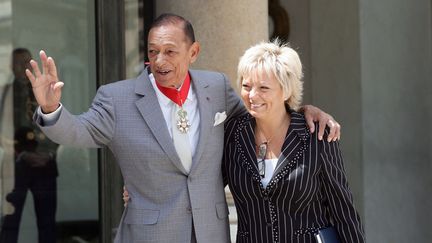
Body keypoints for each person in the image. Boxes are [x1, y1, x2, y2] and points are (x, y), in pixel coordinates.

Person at [26, 14, 340, 243]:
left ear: (193, 52)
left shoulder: (215, 86)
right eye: (152, 52)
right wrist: (52, 108)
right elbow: (78, 131)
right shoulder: (116, 98)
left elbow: (256, 115)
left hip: (211, 233)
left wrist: (301, 111)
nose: (158, 61)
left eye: (170, 52)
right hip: (151, 234)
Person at [221, 40, 364, 242]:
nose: (252, 95)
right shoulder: (232, 135)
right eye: (246, 86)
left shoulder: (317, 136)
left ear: (286, 91)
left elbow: (343, 212)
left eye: (263, 87)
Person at [0, 48, 58, 243]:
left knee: (47, 223)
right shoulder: (5, 92)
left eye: (26, 62)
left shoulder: (46, 89)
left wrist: (48, 153)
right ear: (10, 66)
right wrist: (20, 153)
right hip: (17, 165)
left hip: (45, 164)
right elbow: (2, 130)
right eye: (17, 63)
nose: (22, 67)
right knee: (10, 221)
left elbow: (58, 123)